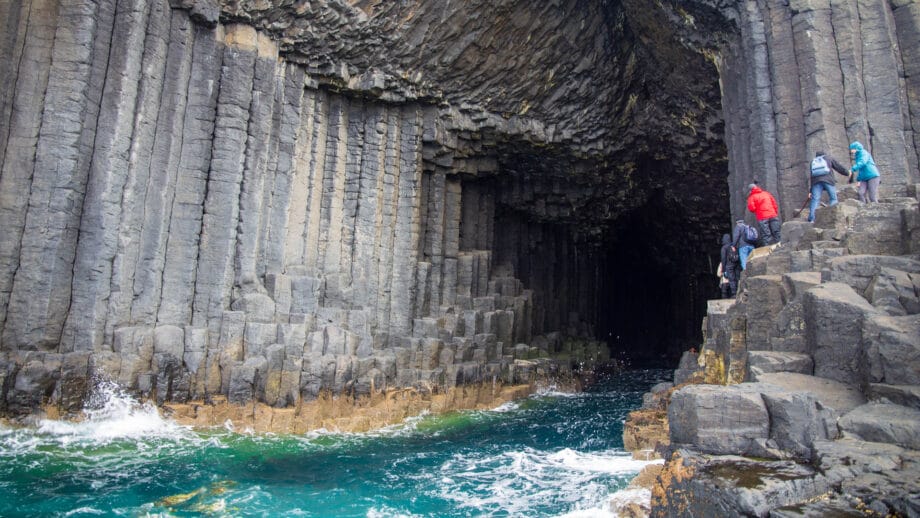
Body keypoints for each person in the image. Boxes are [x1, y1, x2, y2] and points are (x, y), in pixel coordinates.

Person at [807, 150, 852, 222]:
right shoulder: (828, 158)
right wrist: (847, 173)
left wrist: (810, 191)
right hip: (828, 180)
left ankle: (812, 219)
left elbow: (811, 176)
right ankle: (831, 216)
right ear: (825, 154)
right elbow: (838, 167)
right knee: (833, 198)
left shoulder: (813, 162)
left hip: (816, 182)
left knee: (815, 200)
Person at [718, 233, 739, 297]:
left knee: (731, 279)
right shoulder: (733, 246)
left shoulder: (724, 248)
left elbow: (723, 259)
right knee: (736, 277)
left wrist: (723, 269)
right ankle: (739, 291)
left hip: (729, 265)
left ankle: (734, 293)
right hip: (735, 264)